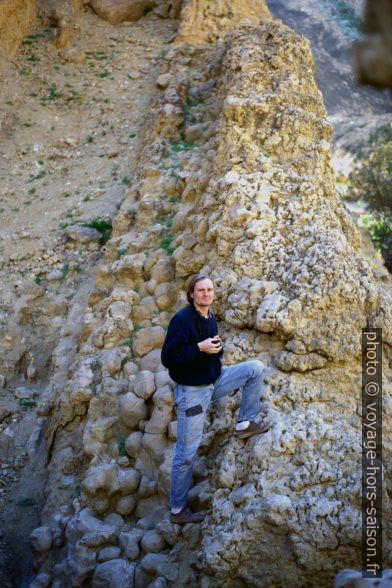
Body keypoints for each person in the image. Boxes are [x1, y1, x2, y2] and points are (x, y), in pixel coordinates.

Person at [161, 273, 272, 525]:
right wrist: (199, 348)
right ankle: (178, 510)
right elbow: (168, 358)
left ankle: (245, 423)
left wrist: (215, 349)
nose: (206, 294)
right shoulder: (181, 320)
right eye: (201, 290)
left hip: (215, 380)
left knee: (254, 368)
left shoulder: (209, 316)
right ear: (192, 294)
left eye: (209, 290)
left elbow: (209, 349)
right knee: (186, 453)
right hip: (192, 393)